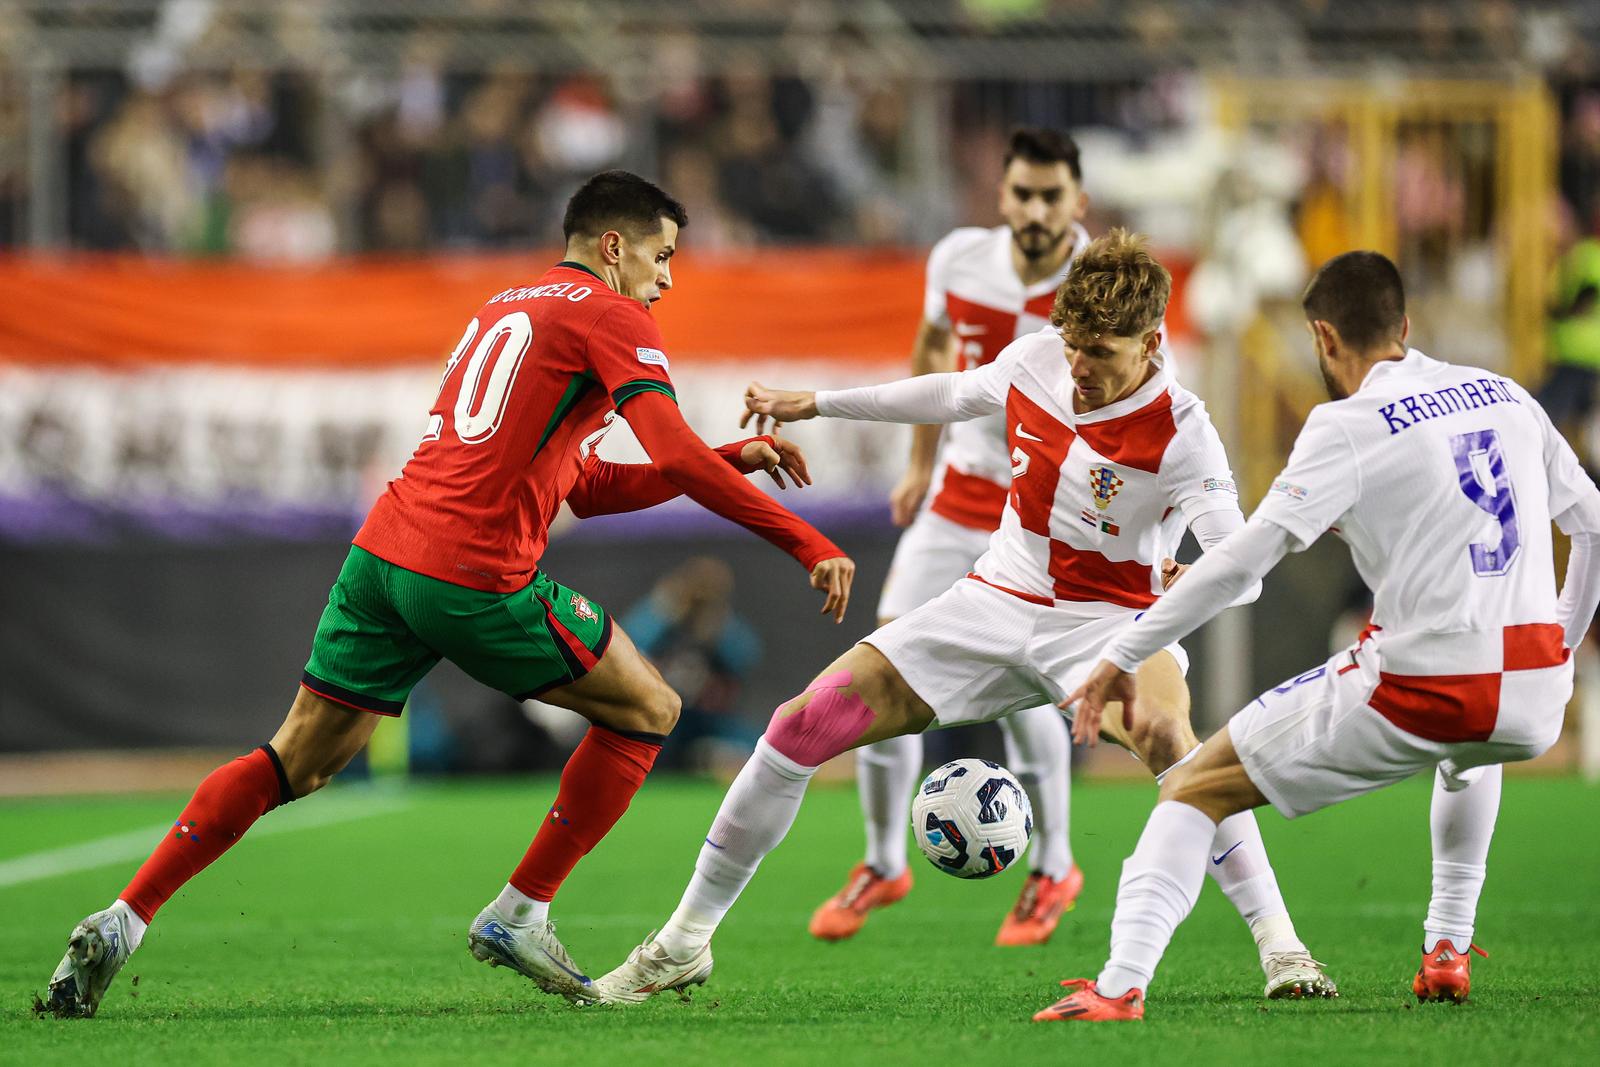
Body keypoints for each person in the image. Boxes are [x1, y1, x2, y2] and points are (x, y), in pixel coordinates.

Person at [40, 169, 856, 1018]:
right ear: (614, 247)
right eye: (662, 253)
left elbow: (586, 485)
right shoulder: (614, 314)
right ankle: (521, 911)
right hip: (471, 571)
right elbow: (670, 450)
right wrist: (806, 540)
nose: (668, 276)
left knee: (298, 759)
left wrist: (729, 457)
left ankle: (122, 918)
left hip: (383, 556)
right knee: (649, 708)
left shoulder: (506, 305)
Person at [591, 230, 1332, 1006]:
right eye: (1073, 344)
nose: (1078, 367)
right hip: (993, 602)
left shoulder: (1185, 433)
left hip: (1106, 622)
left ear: (1151, 343)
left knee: (1175, 746)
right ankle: (680, 943)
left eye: (1101, 353)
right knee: (797, 726)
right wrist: (816, 402)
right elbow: (949, 392)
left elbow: (1238, 567)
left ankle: (1285, 950)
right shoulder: (1041, 359)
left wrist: (1192, 572)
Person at [1041, 250, 1600, 1023]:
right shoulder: (1508, 394)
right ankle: (1447, 948)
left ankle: (1118, 985)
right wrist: (1564, 645)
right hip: (1534, 691)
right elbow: (1592, 520)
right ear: (1405, 326)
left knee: (1194, 784)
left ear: (1324, 338)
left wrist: (1122, 651)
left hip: (1424, 686)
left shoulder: (1346, 425)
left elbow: (1240, 564)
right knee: (1473, 755)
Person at [812, 126, 1092, 948]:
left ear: (1079, 201)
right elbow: (933, 349)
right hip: (957, 497)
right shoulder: (958, 259)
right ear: (1000, 195)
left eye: (1052, 195)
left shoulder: (1102, 283)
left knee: (1029, 683)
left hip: (1045, 519)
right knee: (883, 656)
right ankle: (880, 860)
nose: (1035, 209)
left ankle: (1053, 865)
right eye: (1022, 193)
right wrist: (916, 464)